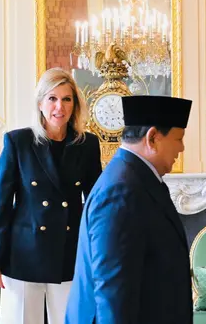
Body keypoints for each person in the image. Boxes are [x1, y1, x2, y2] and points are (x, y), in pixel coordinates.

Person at [0, 68, 102, 324]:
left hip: (69, 252)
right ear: (40, 103)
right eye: (52, 98)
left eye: (67, 99)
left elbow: (95, 205)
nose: (60, 107)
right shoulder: (18, 142)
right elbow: (1, 204)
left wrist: (99, 251)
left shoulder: (87, 144)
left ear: (75, 104)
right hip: (24, 254)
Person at [64, 95, 193, 324]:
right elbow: (113, 293)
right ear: (152, 138)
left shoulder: (135, 178)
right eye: (178, 138)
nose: (182, 148)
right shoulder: (120, 191)